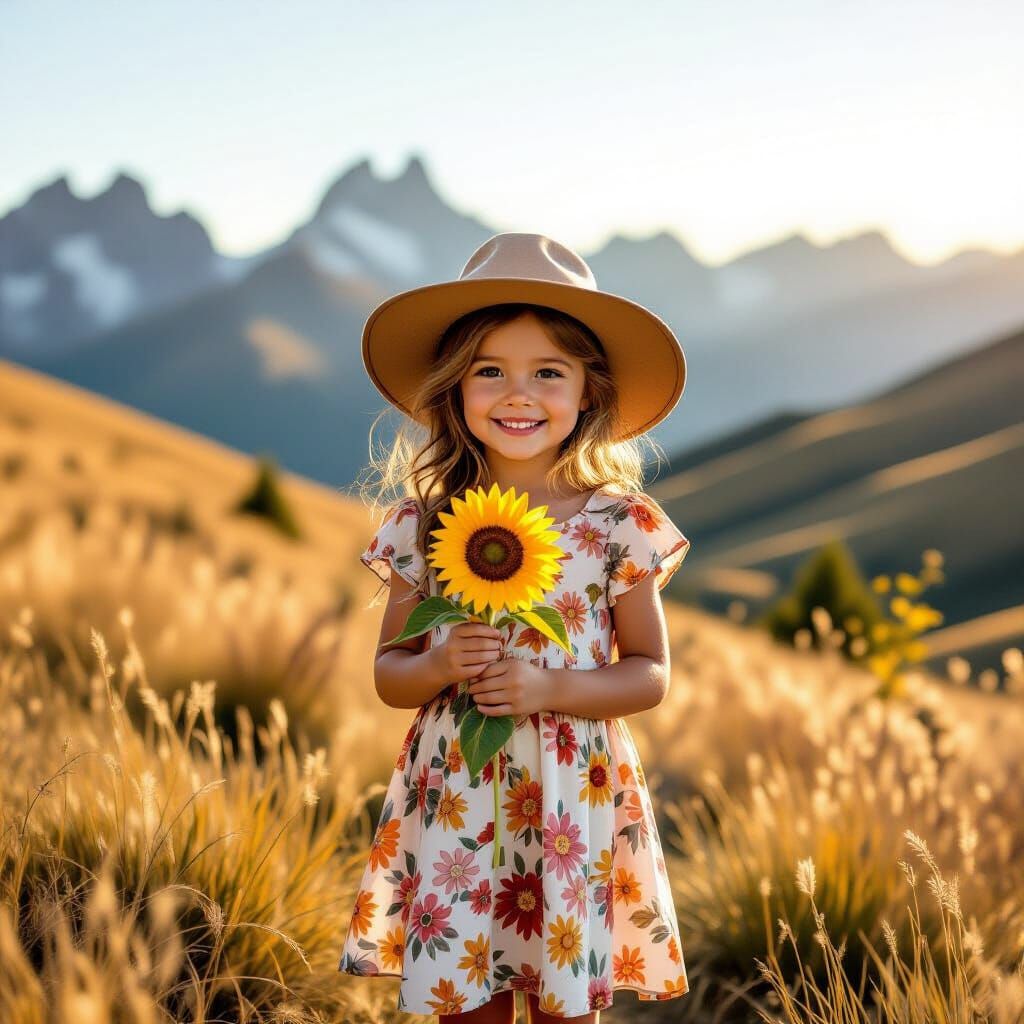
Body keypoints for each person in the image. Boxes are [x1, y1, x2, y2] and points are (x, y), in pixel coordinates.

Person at [338, 232, 693, 1023]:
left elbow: (650, 673)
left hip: (572, 801)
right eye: (488, 370)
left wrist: (548, 686)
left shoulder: (619, 525)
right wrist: (437, 663)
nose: (517, 393)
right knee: (470, 998)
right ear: (453, 390)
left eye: (548, 373)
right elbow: (389, 675)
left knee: (566, 1003)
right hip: (460, 797)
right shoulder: (423, 525)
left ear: (587, 395)